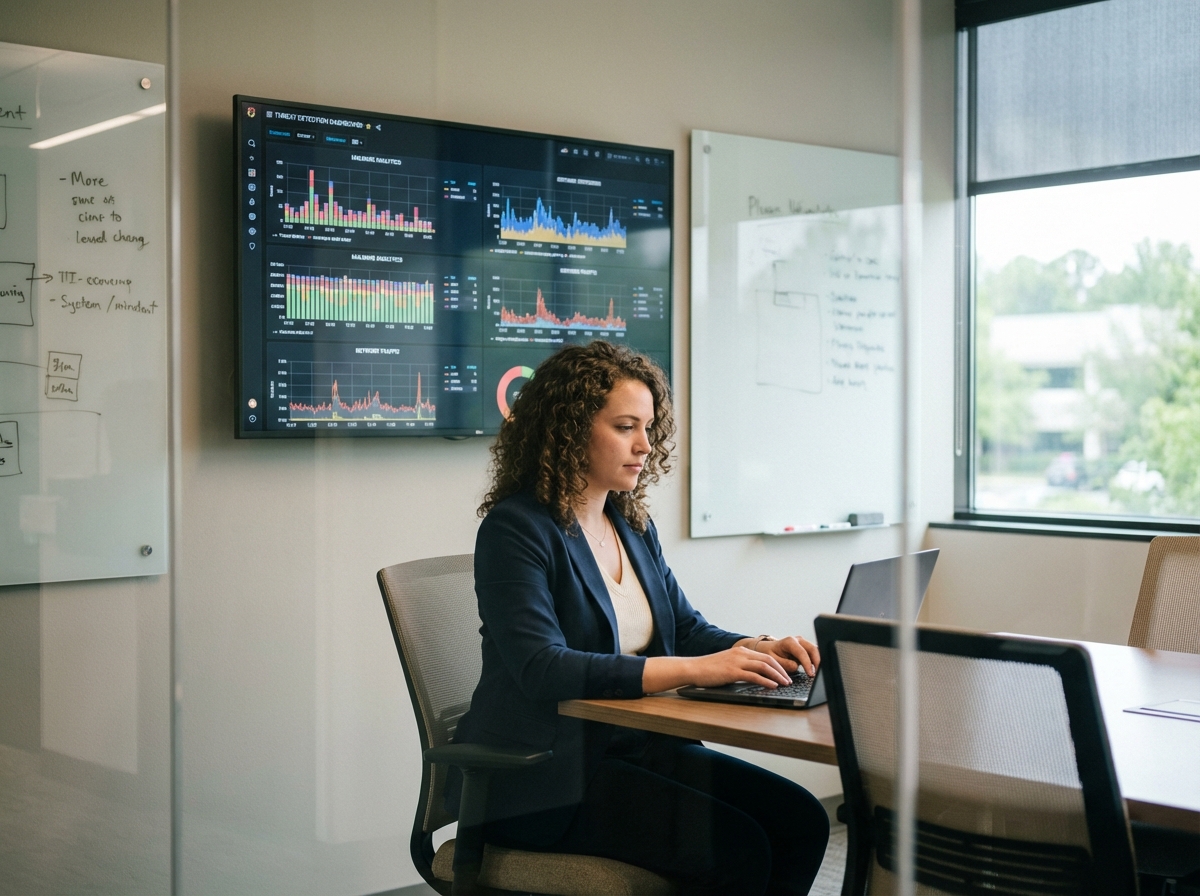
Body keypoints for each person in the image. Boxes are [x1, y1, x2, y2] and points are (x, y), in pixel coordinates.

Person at [451, 341, 830, 895]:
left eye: (648, 427)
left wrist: (756, 648)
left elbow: (687, 630)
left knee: (801, 820)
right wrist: (694, 670)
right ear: (568, 430)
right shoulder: (516, 530)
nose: (645, 445)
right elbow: (542, 667)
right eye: (626, 427)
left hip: (638, 748)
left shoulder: (631, 524)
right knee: (738, 848)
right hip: (547, 778)